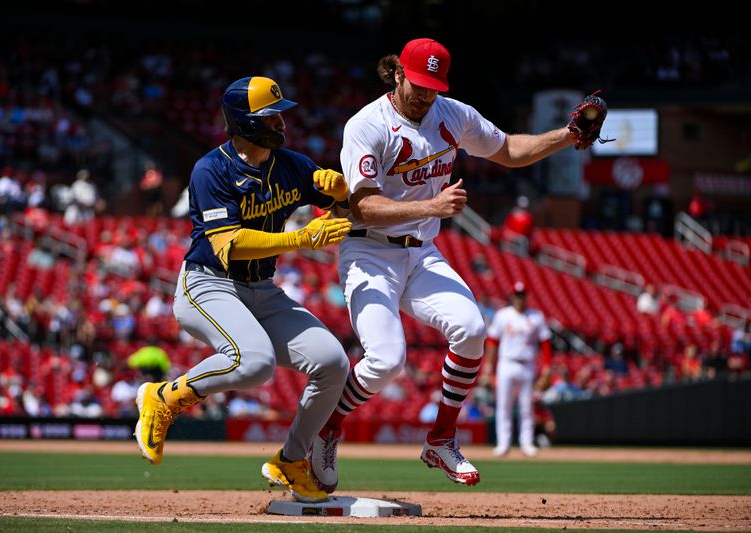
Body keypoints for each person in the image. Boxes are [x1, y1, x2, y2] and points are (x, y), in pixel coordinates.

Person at [310, 37, 593, 492]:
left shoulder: (453, 114)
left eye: (433, 86)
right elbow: (362, 207)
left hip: (420, 252)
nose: (425, 94)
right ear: (397, 74)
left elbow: (510, 151)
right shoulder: (366, 125)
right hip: (369, 252)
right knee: (386, 363)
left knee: (473, 329)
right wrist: (433, 206)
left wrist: (567, 135)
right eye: (418, 83)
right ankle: (327, 429)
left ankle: (441, 438)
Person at [133, 76, 351, 504]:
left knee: (332, 362)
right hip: (208, 283)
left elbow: (339, 211)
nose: (280, 122)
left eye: (280, 113)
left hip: (261, 289)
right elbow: (228, 245)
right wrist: (301, 239)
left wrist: (341, 193)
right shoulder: (210, 169)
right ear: (244, 123)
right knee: (255, 363)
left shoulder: (291, 163)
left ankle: (291, 460)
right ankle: (164, 397)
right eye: (269, 115)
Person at [484, 282, 552, 457]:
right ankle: (503, 444)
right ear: (512, 296)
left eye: (522, 295)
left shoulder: (536, 316)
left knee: (526, 406)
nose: (519, 298)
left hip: (527, 364)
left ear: (525, 297)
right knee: (504, 405)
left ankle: (526, 443)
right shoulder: (503, 315)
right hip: (506, 363)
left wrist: (546, 366)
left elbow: (545, 342)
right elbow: (492, 340)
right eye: (517, 295)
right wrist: (488, 365)